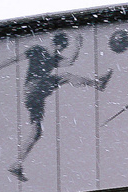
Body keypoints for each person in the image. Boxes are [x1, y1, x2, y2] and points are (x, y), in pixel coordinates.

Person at [7, 32, 112, 182]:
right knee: (66, 76)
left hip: (34, 97)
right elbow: (16, 58)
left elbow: (70, 61)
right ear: (58, 45)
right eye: (60, 48)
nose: (59, 52)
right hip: (34, 87)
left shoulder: (53, 58)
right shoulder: (38, 50)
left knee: (36, 132)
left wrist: (78, 46)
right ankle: (97, 84)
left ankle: (16, 164)